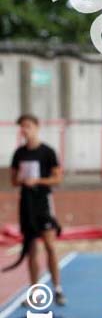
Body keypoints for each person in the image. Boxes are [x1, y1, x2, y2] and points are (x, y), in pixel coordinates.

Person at [7, 114, 65, 305]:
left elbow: (57, 178)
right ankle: (35, 292)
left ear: (36, 127)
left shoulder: (47, 152)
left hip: (43, 202)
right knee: (31, 249)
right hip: (27, 204)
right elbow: (13, 180)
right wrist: (23, 180)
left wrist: (38, 180)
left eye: (27, 126)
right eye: (22, 127)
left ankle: (57, 289)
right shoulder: (19, 154)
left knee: (49, 246)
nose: (24, 130)